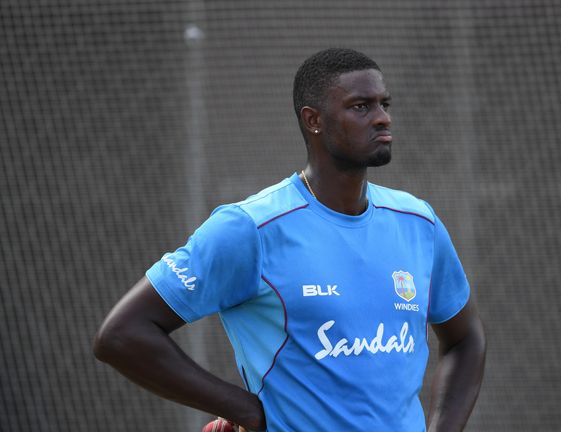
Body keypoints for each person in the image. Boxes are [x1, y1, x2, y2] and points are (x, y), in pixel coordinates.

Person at [93, 48, 486, 431]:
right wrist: (245, 409)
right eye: (361, 106)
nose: (383, 118)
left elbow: (466, 340)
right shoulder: (250, 228)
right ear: (313, 120)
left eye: (385, 103)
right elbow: (123, 334)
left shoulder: (418, 222)